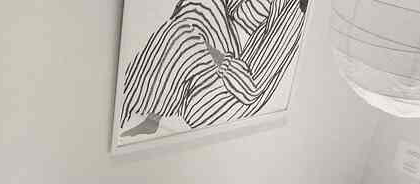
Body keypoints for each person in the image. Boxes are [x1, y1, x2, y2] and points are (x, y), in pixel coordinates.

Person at [120, 0, 309, 137]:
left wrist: (217, 56)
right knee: (194, 13)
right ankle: (134, 109)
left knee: (184, 32)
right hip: (217, 29)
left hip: (233, 64)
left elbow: (253, 87)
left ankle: (139, 112)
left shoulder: (293, 13)